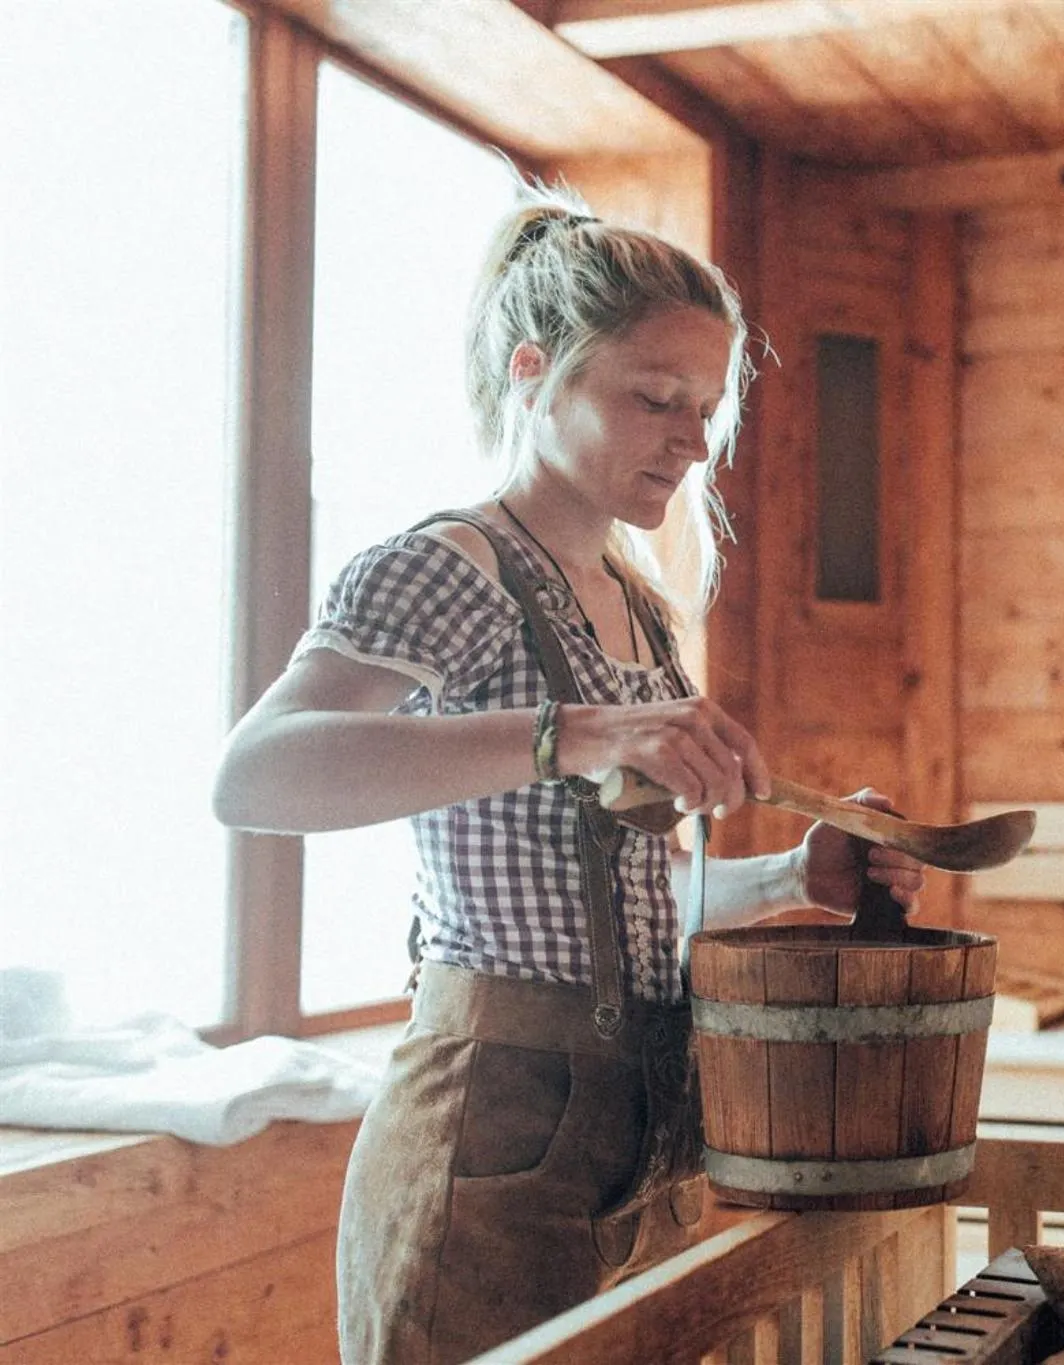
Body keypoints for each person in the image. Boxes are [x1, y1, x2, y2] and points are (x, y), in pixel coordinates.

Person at [212, 186, 926, 1364]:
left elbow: (636, 898)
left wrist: (794, 873)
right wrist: (569, 734)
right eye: (654, 399)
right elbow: (254, 778)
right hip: (488, 1127)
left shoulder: (643, 610)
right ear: (535, 370)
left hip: (641, 1130)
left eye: (705, 411)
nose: (691, 443)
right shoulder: (445, 567)